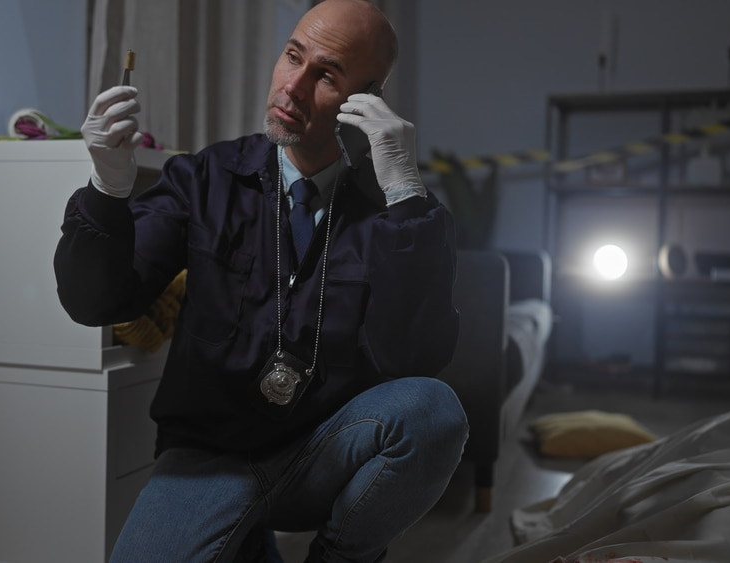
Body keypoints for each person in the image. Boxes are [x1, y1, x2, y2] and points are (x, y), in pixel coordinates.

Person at [54, 1, 467, 561]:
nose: (292, 87)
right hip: (208, 456)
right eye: (292, 56)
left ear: (365, 100)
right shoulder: (205, 177)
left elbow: (416, 361)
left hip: (321, 454)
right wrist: (107, 187)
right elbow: (95, 301)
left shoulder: (395, 211)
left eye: (326, 74)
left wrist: (405, 196)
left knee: (432, 409)